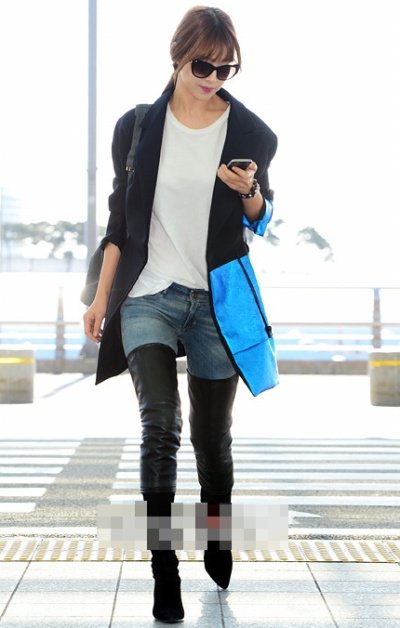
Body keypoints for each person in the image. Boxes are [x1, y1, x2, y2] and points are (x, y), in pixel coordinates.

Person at [83, 5, 278, 623]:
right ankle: (163, 568)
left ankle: (217, 534)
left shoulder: (252, 133)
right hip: (149, 294)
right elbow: (120, 221)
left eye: (227, 69)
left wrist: (248, 192)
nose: (213, 78)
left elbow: (262, 219)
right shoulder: (138, 126)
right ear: (177, 57)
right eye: (203, 65)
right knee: (159, 424)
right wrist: (100, 297)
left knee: (212, 441)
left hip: (215, 301)